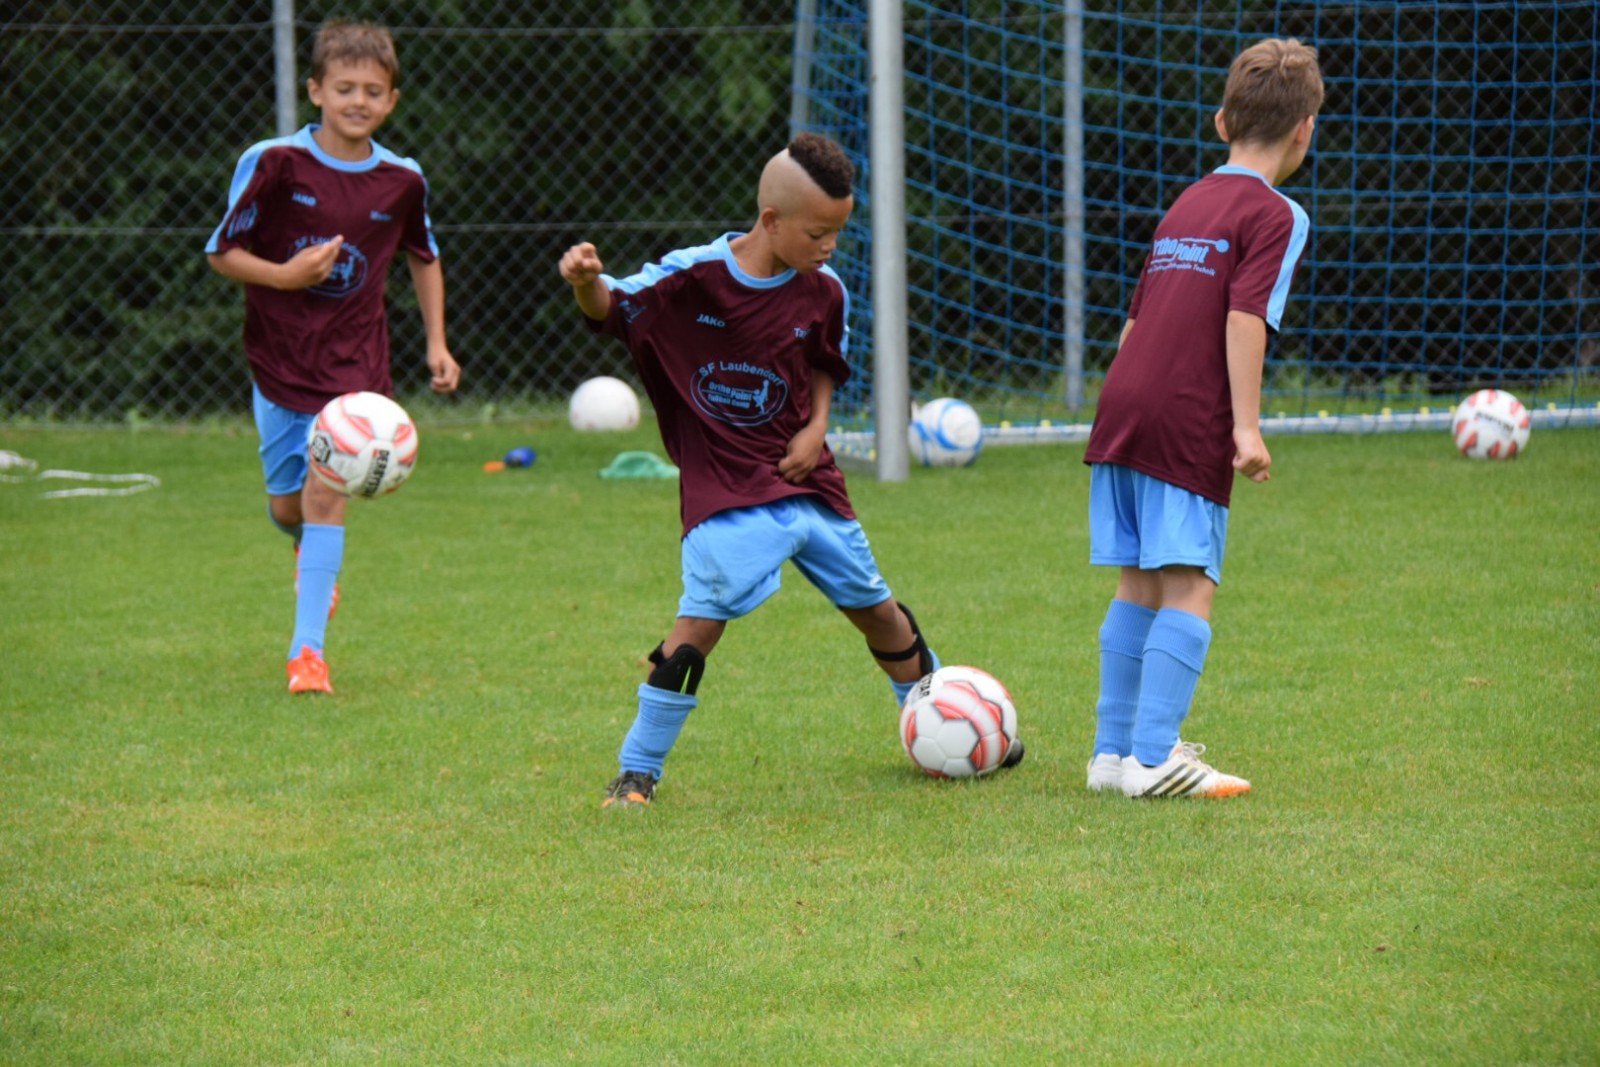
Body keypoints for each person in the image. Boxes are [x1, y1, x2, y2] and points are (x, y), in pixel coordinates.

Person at [558, 132, 1023, 809]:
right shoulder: (691, 278)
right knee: (697, 631)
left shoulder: (824, 291)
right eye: (817, 233)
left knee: (884, 616)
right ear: (771, 220)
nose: (829, 246)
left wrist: (816, 428)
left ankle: (957, 722)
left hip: (808, 481)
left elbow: (824, 363)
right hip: (727, 489)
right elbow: (611, 306)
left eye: (838, 232)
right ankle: (637, 772)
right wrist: (584, 282)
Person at [1082, 38, 1324, 798]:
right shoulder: (1278, 214)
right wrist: (1245, 427)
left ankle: (1112, 757)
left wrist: (1121, 405)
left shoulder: (1187, 201)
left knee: (1138, 581)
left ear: (1221, 122)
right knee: (1190, 584)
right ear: (1305, 130)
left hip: (1123, 403)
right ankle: (1156, 759)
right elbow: (1245, 316)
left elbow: (1137, 316)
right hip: (1185, 413)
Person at [205, 19, 459, 694]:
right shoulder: (274, 163)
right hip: (280, 361)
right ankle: (303, 550)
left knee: (326, 496)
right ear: (316, 90)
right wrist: (286, 276)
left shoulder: (402, 180)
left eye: (373, 91)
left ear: (392, 101)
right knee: (288, 508)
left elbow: (424, 256)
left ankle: (307, 655)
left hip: (355, 373)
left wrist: (436, 342)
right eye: (344, 88)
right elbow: (222, 253)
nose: (358, 101)